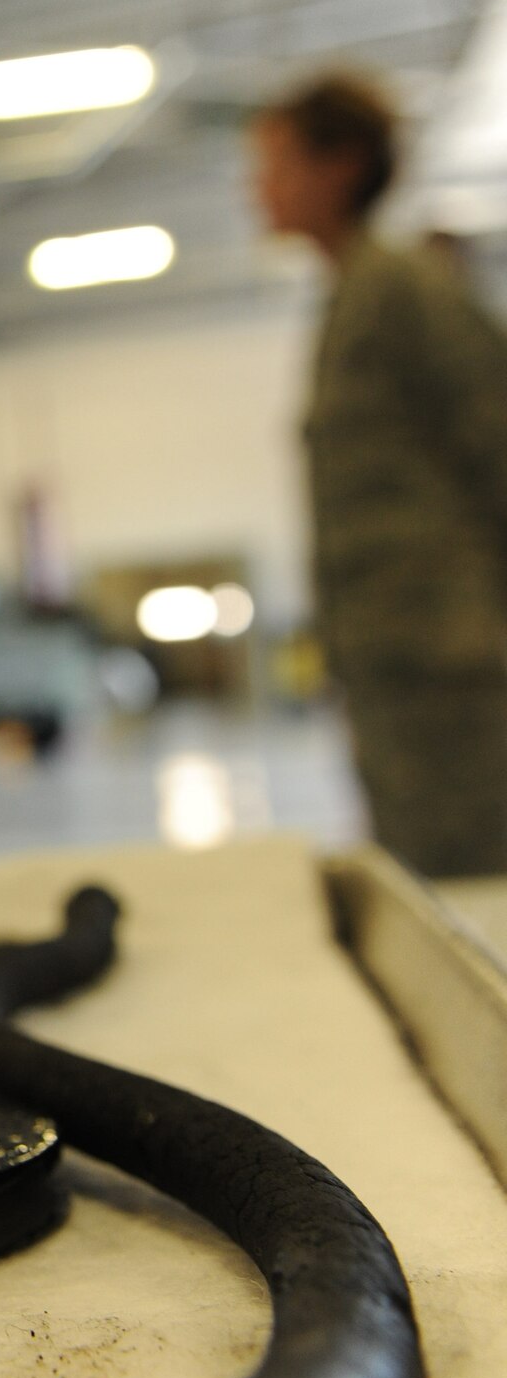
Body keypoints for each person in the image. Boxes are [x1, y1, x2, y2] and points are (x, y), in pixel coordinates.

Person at [253, 72, 507, 876]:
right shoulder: (351, 294)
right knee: (427, 875)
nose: (259, 186)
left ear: (343, 165)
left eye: (278, 162)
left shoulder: (404, 289)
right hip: (394, 662)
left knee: (479, 884)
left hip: (453, 665)